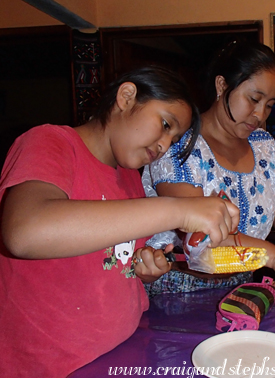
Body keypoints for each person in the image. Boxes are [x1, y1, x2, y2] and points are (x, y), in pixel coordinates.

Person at [0, 66, 242, 378]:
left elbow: (111, 265)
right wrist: (178, 210)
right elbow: (24, 233)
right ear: (126, 97)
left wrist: (146, 271)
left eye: (174, 138)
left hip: (119, 354)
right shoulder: (49, 142)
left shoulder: (130, 180)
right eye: (165, 124)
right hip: (49, 366)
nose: (164, 145)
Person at [142, 41, 275, 295]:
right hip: (179, 291)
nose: (260, 114)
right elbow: (198, 234)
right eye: (254, 99)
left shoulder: (265, 147)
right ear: (221, 85)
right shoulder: (179, 146)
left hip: (243, 288)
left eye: (269, 105)